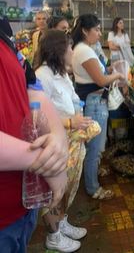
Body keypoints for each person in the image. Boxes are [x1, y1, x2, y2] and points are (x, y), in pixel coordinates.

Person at [0, 29, 68, 253]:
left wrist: (58, 137)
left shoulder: (5, 38)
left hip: (22, 209)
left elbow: (33, 89)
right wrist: (47, 161)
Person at [34, 30, 92, 252]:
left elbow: (74, 101)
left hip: (71, 141)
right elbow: (38, 117)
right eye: (69, 47)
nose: (72, 51)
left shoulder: (62, 74)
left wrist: (80, 120)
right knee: (52, 191)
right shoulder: (42, 76)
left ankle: (61, 222)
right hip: (54, 143)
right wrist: (69, 123)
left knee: (66, 187)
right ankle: (53, 236)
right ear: (58, 50)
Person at [71, 14, 125, 200]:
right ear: (85, 31)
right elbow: (100, 80)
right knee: (94, 148)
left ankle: (92, 175)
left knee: (94, 147)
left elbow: (98, 73)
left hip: (94, 102)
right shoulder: (84, 51)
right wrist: (118, 76)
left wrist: (111, 68)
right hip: (94, 104)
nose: (100, 34)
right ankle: (92, 188)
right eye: (96, 30)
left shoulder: (84, 49)